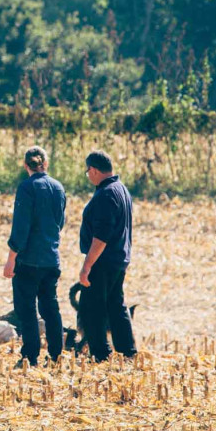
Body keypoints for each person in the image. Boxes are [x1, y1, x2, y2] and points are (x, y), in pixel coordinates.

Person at [3, 146, 66, 366]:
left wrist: (11, 257)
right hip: (51, 258)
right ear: (45, 164)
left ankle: (31, 355)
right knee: (51, 308)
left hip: (29, 260)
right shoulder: (58, 188)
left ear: (25, 165)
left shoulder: (26, 188)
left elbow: (21, 227)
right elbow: (60, 222)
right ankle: (57, 354)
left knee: (27, 309)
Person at [77, 150, 137, 361]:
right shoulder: (121, 189)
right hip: (119, 258)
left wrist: (87, 266)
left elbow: (101, 236)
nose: (88, 177)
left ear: (93, 170)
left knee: (91, 308)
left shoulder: (106, 194)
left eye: (88, 172)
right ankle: (127, 351)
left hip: (103, 260)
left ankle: (101, 354)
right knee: (115, 305)